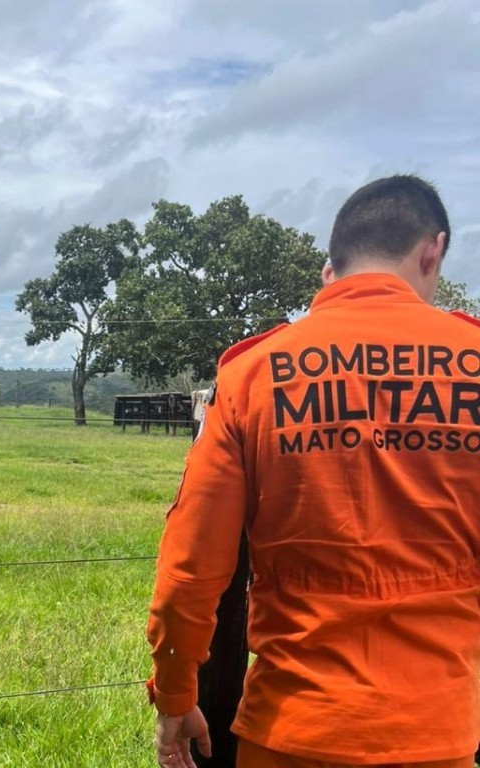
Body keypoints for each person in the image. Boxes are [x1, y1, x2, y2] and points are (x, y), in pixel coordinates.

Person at [147, 175, 480, 768]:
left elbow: (192, 569)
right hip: (441, 729)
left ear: (332, 270)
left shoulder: (253, 375)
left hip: (292, 727)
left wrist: (174, 693)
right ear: (433, 250)